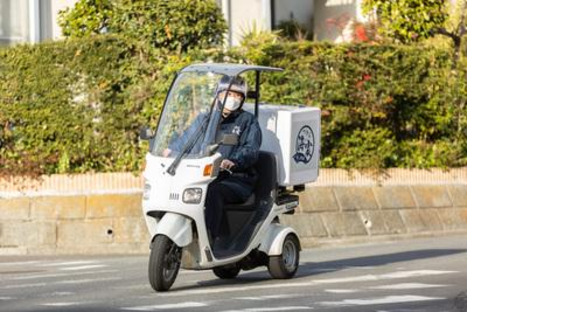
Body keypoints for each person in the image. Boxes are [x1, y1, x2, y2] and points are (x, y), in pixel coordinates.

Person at [163, 75, 262, 244]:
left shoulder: (247, 121)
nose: (233, 99)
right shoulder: (205, 119)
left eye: (238, 96)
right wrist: (171, 149)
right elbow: (188, 138)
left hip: (235, 179)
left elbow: (250, 150)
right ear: (218, 95)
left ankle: (209, 238)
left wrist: (234, 161)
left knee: (213, 192)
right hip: (204, 176)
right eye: (229, 94)